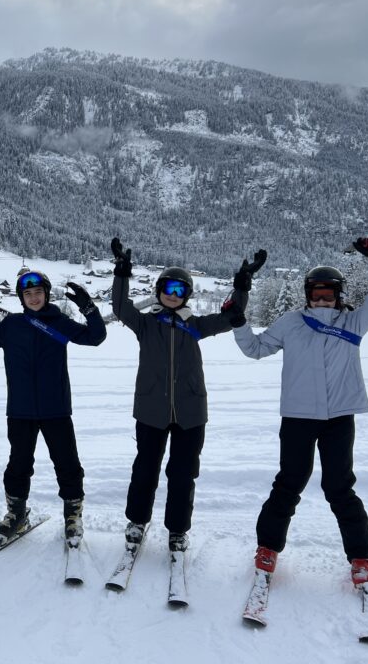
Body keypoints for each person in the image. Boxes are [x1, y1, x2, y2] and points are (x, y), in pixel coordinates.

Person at [231, 236, 368, 588]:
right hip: (298, 417)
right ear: (307, 294)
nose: (322, 299)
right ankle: (267, 549)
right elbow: (256, 349)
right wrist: (239, 323)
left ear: (338, 295)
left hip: (339, 417)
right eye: (316, 294)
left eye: (329, 294)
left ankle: (362, 557)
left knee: (339, 487)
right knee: (289, 483)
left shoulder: (354, 322)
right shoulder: (291, 322)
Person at [110, 238, 257, 557]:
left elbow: (232, 316)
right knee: (145, 469)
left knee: (182, 473)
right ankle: (136, 522)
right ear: (160, 292)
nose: (173, 296)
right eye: (167, 290)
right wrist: (122, 273)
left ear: (186, 295)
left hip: (190, 413)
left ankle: (177, 530)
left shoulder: (197, 326)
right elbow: (120, 308)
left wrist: (241, 286)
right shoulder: (146, 325)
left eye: (180, 291)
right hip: (151, 410)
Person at [0, 270, 106, 547]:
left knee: (67, 463)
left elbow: (95, 336)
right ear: (21, 298)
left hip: (56, 408)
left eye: (38, 292)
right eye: (28, 294)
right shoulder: (12, 325)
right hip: (20, 410)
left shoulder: (60, 322)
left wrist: (89, 308)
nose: (33, 297)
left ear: (46, 294)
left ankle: (73, 515)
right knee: (18, 465)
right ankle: (17, 514)